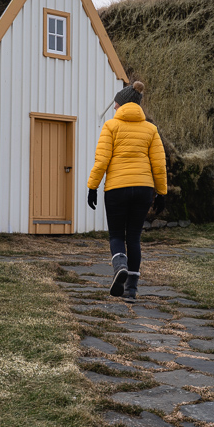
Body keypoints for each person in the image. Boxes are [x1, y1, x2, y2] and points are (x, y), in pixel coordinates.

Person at [87, 81, 167, 299]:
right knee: (133, 236)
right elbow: (159, 164)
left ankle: (119, 265)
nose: (113, 108)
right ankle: (131, 289)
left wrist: (92, 187)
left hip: (117, 189)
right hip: (143, 189)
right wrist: (161, 193)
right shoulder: (150, 129)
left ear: (122, 104)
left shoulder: (111, 127)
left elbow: (101, 161)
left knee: (116, 235)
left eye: (115, 104)